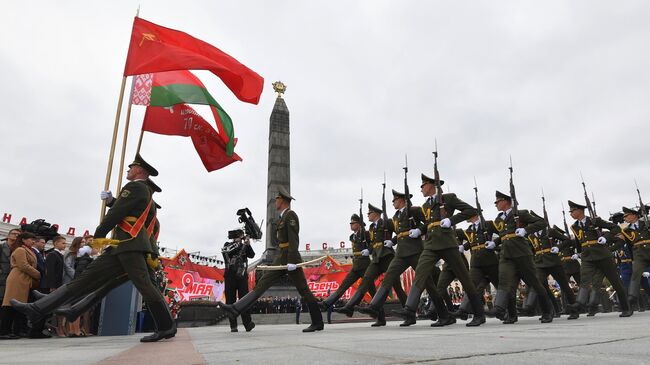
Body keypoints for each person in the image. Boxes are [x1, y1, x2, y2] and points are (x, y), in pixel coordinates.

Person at [11, 154, 176, 343]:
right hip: (123, 247)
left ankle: (166, 326)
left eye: (131, 167)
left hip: (127, 246)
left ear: (140, 170)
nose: (128, 170)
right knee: (88, 280)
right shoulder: (142, 191)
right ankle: (43, 308)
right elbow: (126, 209)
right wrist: (114, 200)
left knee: (141, 286)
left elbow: (117, 213)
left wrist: (98, 236)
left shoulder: (135, 187)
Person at [218, 186, 324, 333]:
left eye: (277, 198)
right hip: (282, 257)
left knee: (303, 290)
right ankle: (235, 309)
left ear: (283, 200)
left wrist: (292, 261)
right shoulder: (282, 217)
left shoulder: (290, 215)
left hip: (290, 257)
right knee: (263, 282)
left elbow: (294, 240)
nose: (275, 201)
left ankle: (318, 322)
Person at [392, 175, 485, 327]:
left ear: (431, 185)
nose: (421, 188)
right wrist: (419, 230)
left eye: (423, 185)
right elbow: (428, 224)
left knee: (465, 279)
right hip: (430, 245)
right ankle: (409, 308)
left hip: (448, 244)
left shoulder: (448, 198)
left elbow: (470, 210)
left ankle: (479, 314)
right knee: (420, 273)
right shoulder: (425, 205)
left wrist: (451, 220)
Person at [357, 189, 450, 327]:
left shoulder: (414, 210)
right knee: (389, 276)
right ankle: (374, 305)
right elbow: (398, 232)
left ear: (402, 200)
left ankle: (444, 315)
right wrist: (393, 241)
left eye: (394, 200)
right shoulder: (395, 217)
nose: (393, 202)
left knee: (428, 284)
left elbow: (429, 223)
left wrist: (419, 230)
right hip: (401, 253)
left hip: (416, 251)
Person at [333, 203, 408, 327]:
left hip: (388, 258)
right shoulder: (372, 228)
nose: (368, 215)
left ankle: (408, 313)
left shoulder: (386, 222)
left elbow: (399, 231)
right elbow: (373, 243)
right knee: (366, 281)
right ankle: (350, 307)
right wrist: (370, 250)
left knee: (397, 287)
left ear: (376, 214)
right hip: (377, 259)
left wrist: (393, 241)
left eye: (369, 213)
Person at [485, 191, 554, 323]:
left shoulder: (520, 214)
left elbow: (542, 222)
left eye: (497, 202)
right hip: (506, 254)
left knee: (534, 283)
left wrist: (526, 230)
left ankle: (547, 311)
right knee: (505, 281)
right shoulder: (499, 219)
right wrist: (495, 242)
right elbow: (504, 234)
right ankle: (500, 309)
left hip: (521, 253)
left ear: (506, 201)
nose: (496, 205)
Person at [565, 200, 632, 318]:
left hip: (602, 255)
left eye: (572, 211)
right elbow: (578, 242)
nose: (570, 213)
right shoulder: (574, 226)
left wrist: (606, 237)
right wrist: (578, 253)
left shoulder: (595, 221)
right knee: (584, 280)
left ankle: (626, 307)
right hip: (587, 257)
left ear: (580, 211)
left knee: (615, 281)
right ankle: (579, 303)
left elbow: (615, 228)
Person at [319, 214, 372, 312]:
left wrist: (369, 250)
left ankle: (380, 315)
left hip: (365, 265)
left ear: (359, 224)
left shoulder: (366, 234)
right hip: (356, 266)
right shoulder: (352, 236)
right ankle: (326, 303)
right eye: (350, 223)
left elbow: (373, 244)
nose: (351, 225)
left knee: (372, 290)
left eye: (353, 223)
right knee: (344, 285)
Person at [452, 214, 500, 321]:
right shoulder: (469, 230)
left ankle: (509, 312)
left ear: (475, 215)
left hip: (490, 260)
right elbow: (471, 242)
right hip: (476, 262)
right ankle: (468, 311)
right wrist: (463, 247)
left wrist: (495, 243)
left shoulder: (488, 224)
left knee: (500, 285)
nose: (466, 216)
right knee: (471, 286)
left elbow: (503, 234)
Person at [0, 232, 41, 339]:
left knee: (18, 307)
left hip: (24, 279)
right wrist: (38, 274)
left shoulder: (27, 250)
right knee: (9, 305)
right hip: (17, 278)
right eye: (31, 239)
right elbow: (23, 265)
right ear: (23, 240)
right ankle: (4, 331)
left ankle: (16, 331)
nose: (33, 241)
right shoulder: (20, 250)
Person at [221, 229, 255, 332]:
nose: (240, 237)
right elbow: (225, 251)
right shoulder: (228, 245)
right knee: (230, 300)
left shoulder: (245, 245)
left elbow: (252, 255)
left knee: (244, 300)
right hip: (230, 276)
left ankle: (247, 323)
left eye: (240, 235)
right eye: (239, 235)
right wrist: (238, 244)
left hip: (242, 275)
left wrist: (247, 244)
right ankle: (233, 325)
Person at [617, 206, 650, 312]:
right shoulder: (626, 230)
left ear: (634, 215)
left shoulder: (646, 224)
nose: (625, 218)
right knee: (635, 278)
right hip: (639, 256)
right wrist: (633, 260)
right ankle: (630, 301)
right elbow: (630, 246)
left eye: (627, 215)